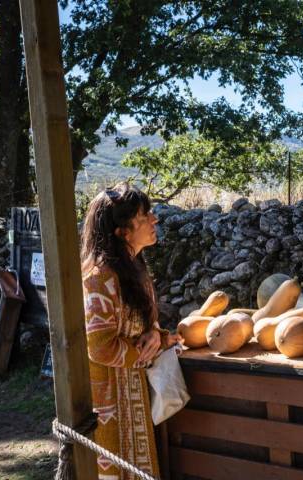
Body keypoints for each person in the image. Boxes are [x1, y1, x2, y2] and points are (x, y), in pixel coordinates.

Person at [81, 183, 181, 479]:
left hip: (131, 392)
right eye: (144, 215)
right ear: (122, 232)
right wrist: (146, 348)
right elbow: (98, 346)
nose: (155, 219)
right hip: (108, 401)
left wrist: (158, 335)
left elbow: (143, 328)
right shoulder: (99, 279)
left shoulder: (134, 269)